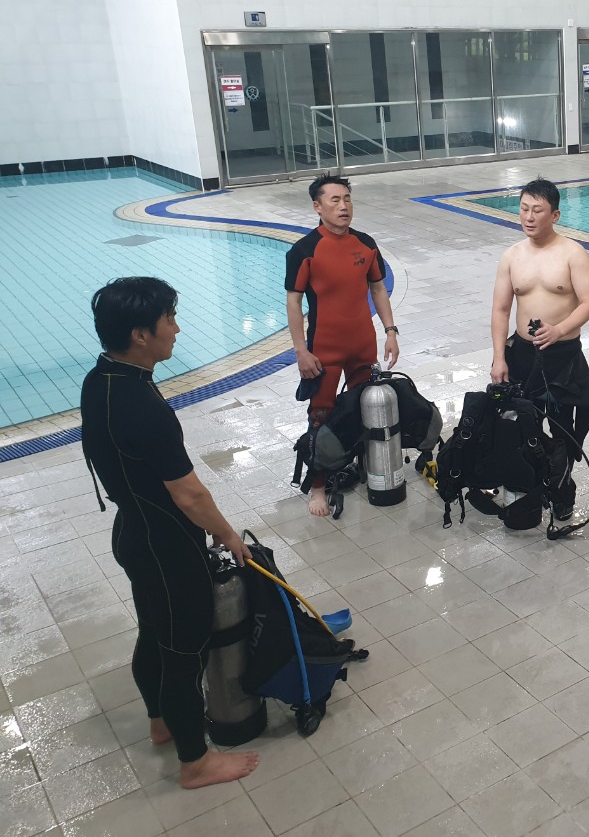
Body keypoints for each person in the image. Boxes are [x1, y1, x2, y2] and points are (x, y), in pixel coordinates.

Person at [81, 277, 259, 789]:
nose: (176, 329)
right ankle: (194, 763)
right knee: (185, 650)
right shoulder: (141, 406)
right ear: (141, 334)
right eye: (169, 320)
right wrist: (228, 535)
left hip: (134, 533)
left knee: (154, 631)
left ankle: (160, 722)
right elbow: (189, 495)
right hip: (166, 544)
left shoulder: (102, 378)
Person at [286, 173, 400, 516]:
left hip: (362, 345)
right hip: (325, 349)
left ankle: (366, 466)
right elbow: (294, 303)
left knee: (366, 408)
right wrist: (301, 351)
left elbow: (378, 289)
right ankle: (318, 486)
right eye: (334, 200)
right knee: (320, 415)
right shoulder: (304, 250)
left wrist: (390, 331)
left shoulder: (365, 244)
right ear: (317, 207)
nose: (343, 206)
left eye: (347, 198)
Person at [490, 177, 589, 515]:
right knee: (522, 426)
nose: (529, 217)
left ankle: (562, 495)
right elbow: (501, 309)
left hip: (562, 357)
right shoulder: (512, 256)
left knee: (563, 431)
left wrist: (560, 329)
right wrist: (498, 357)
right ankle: (529, 489)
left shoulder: (572, 254)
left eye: (537, 210)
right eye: (524, 209)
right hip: (522, 356)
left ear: (555, 215)